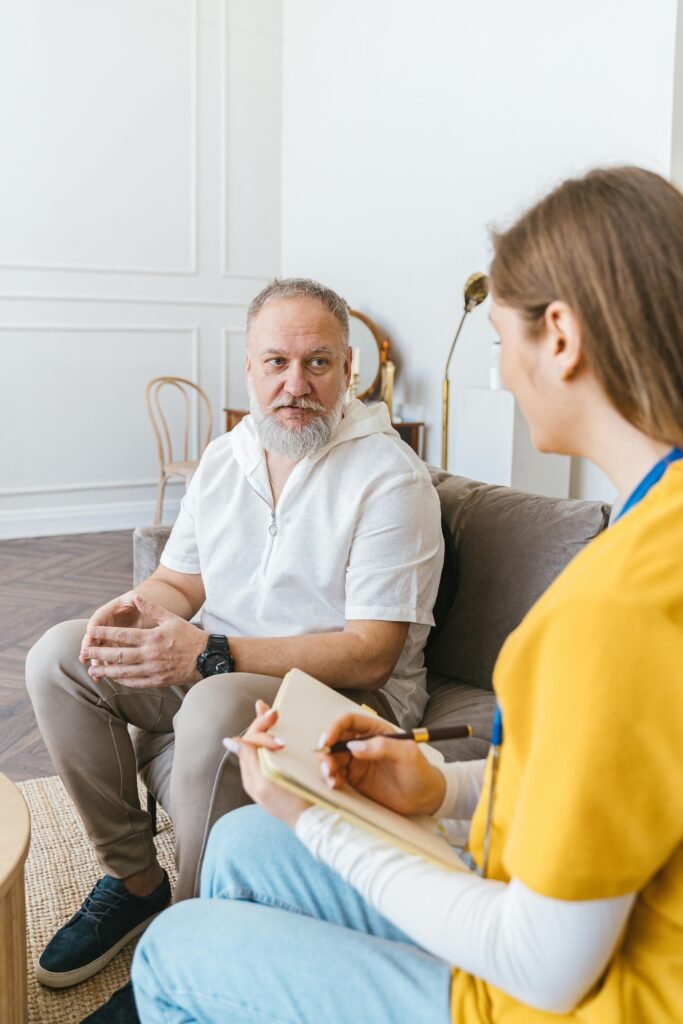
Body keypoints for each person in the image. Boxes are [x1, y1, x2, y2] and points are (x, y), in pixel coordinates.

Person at [131, 166, 683, 1024]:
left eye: (500, 339)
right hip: (565, 909)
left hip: (576, 994)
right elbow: (618, 784)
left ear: (562, 338)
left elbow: (540, 968)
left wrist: (321, 825)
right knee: (241, 839)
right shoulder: (657, 532)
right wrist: (435, 784)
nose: (499, 373)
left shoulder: (608, 612)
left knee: (171, 950)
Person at [25, 278, 444, 1009]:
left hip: (344, 695)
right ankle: (135, 882)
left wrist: (209, 654)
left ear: (350, 372)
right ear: (248, 370)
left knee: (215, 703)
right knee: (59, 656)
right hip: (219, 658)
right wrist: (132, 610)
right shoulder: (229, 456)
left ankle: (193, 935)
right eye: (275, 362)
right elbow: (176, 583)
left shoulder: (389, 478)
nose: (295, 383)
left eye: (317, 363)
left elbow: (371, 650)